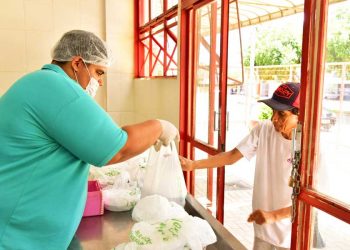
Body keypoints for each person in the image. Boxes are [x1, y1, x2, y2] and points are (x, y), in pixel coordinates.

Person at [0, 30, 179, 250]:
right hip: (16, 236)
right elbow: (116, 148)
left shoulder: (38, 83)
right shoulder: (57, 88)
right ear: (77, 63)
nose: (100, 82)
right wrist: (158, 127)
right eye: (98, 73)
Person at [180, 82, 300, 250]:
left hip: (290, 235)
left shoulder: (309, 148)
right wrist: (193, 165)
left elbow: (309, 204)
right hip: (263, 228)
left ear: (299, 115)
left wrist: (273, 216)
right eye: (273, 112)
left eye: (282, 114)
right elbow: (231, 156)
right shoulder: (264, 129)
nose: (274, 119)